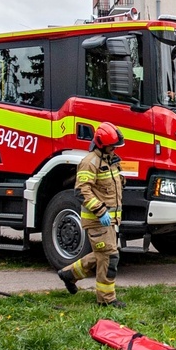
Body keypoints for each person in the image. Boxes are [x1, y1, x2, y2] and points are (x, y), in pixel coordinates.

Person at [59, 122, 126, 307]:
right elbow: (82, 190)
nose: (115, 149)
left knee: (102, 255)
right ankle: (106, 299)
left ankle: (69, 274)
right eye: (112, 146)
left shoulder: (111, 160)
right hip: (97, 219)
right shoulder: (90, 162)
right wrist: (101, 210)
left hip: (110, 220)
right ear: (102, 144)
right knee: (110, 256)